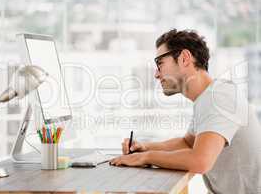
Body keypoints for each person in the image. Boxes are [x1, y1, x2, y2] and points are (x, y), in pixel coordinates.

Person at [109, 29, 261, 193]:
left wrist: (145, 157)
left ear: (184, 58)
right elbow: (188, 143)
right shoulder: (208, 98)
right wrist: (145, 148)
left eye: (160, 63)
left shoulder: (219, 97)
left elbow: (200, 161)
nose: (156, 74)